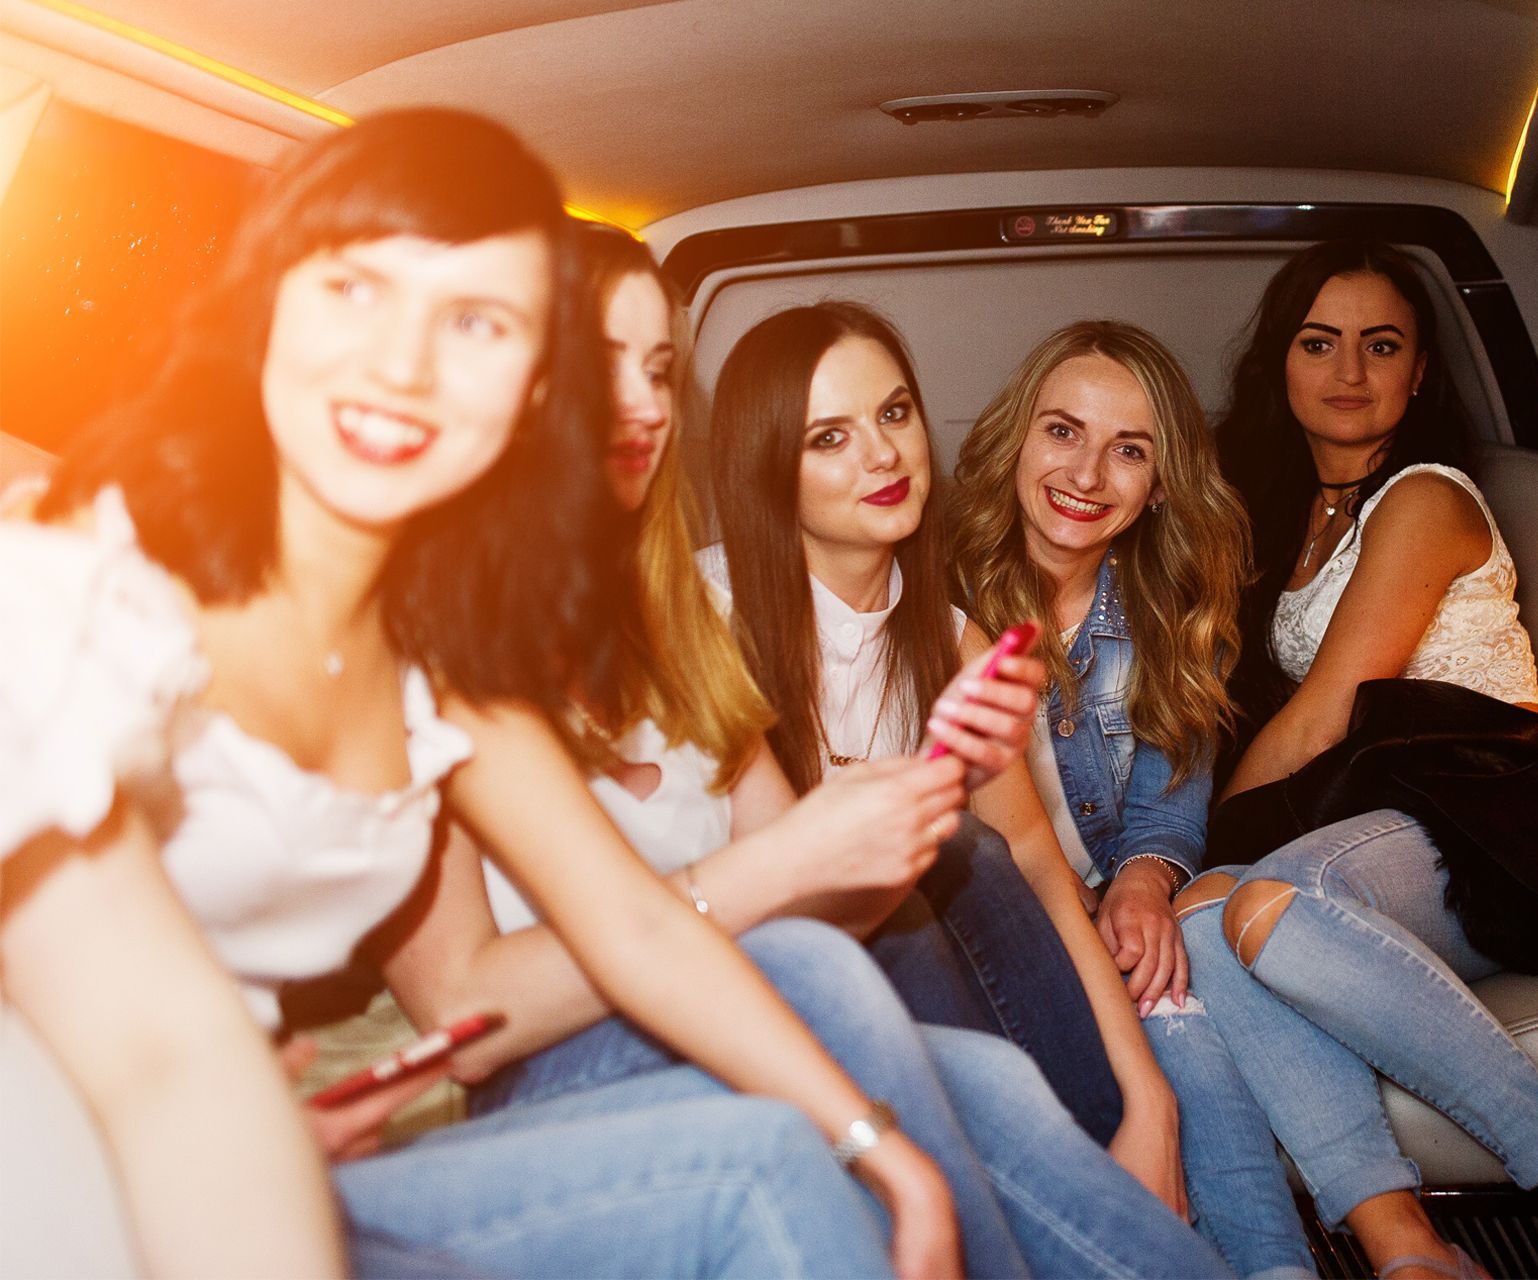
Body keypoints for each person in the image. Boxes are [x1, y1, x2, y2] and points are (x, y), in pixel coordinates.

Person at [2, 107, 964, 1279]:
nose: (403, 366)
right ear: (267, 304)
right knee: (757, 1159)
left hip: (248, 1127)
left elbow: (637, 919)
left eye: (475, 321)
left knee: (786, 1134)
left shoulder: (439, 648)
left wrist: (886, 1153)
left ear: (531, 391)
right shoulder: (80, 592)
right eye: (354, 288)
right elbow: (156, 1047)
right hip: (62, 1149)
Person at [386, 228, 1236, 1280]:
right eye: (599, 362)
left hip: (734, 986)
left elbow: (830, 893)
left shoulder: (662, 626)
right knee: (850, 958)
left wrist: (930, 788)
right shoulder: (469, 642)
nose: (644, 402)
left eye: (660, 369)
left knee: (986, 1057)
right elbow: (741, 914)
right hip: (568, 1054)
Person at [1180, 239, 1538, 1280]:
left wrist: (1192, 849)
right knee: (1203, 924)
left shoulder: (1424, 497)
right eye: (1320, 343)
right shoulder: (1299, 519)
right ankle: (1407, 1246)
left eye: (1380, 344)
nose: (1349, 372)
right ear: (1282, 364)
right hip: (1397, 825)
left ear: (1418, 373)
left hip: (1502, 827)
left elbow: (1322, 719)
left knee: (1269, 899)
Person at [697, 301, 1193, 1204]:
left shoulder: (952, 640)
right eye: (829, 438)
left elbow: (1041, 862)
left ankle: (1102, 1189)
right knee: (942, 871)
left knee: (979, 856)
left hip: (908, 972)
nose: (883, 455)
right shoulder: (703, 622)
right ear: (767, 466)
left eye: (893, 414)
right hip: (749, 977)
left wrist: (1148, 1104)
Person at [948, 320, 1314, 1278]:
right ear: (1015, 440)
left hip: (1097, 904)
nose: (1089, 474)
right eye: (1063, 432)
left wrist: (1148, 881)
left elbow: (1162, 808)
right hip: (986, 921)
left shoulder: (1172, 612)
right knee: (1150, 1014)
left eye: (1129, 450)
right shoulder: (928, 591)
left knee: (1173, 984)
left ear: (1160, 484)